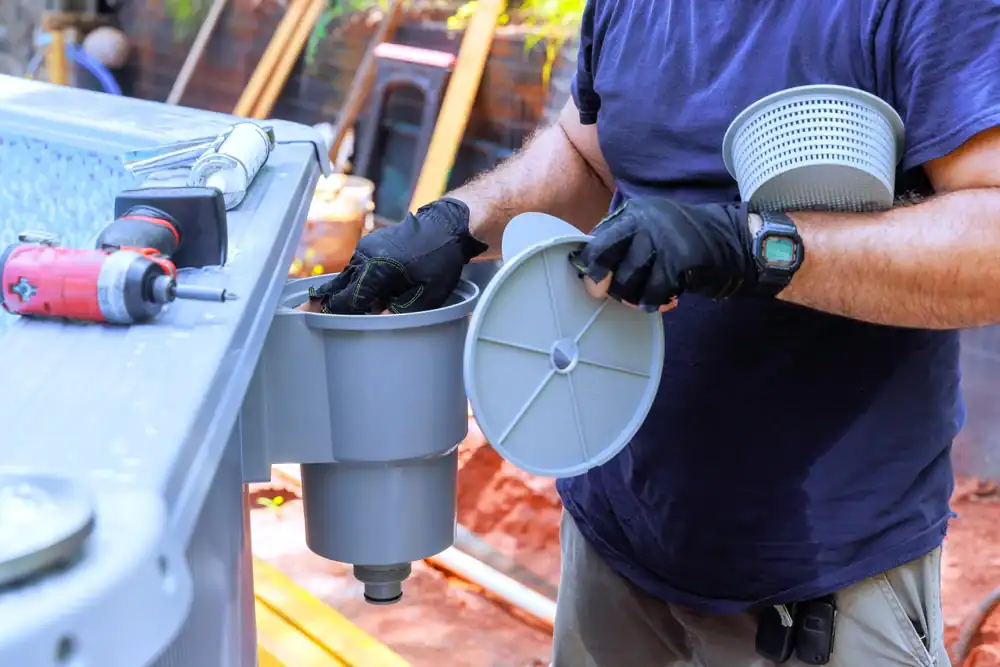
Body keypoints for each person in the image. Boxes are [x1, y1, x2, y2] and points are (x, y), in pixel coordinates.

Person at [303, 0, 1000, 664]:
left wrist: (750, 247)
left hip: (821, 581)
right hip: (616, 537)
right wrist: (460, 221)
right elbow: (587, 155)